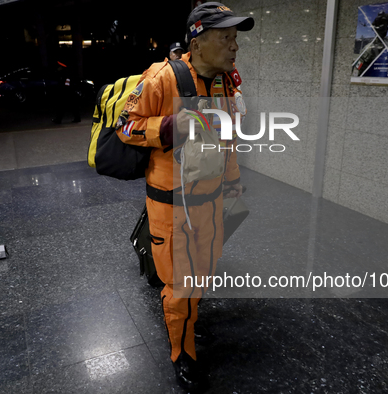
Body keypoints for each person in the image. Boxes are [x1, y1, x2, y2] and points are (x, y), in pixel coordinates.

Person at [117, 2, 253, 391]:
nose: (234, 46)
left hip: (210, 203)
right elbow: (126, 125)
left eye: (235, 38)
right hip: (171, 207)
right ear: (198, 39)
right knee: (179, 290)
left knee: (201, 276)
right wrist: (168, 125)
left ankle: (187, 314)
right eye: (225, 37)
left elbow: (228, 139)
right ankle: (183, 354)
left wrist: (231, 182)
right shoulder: (161, 78)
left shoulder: (227, 83)